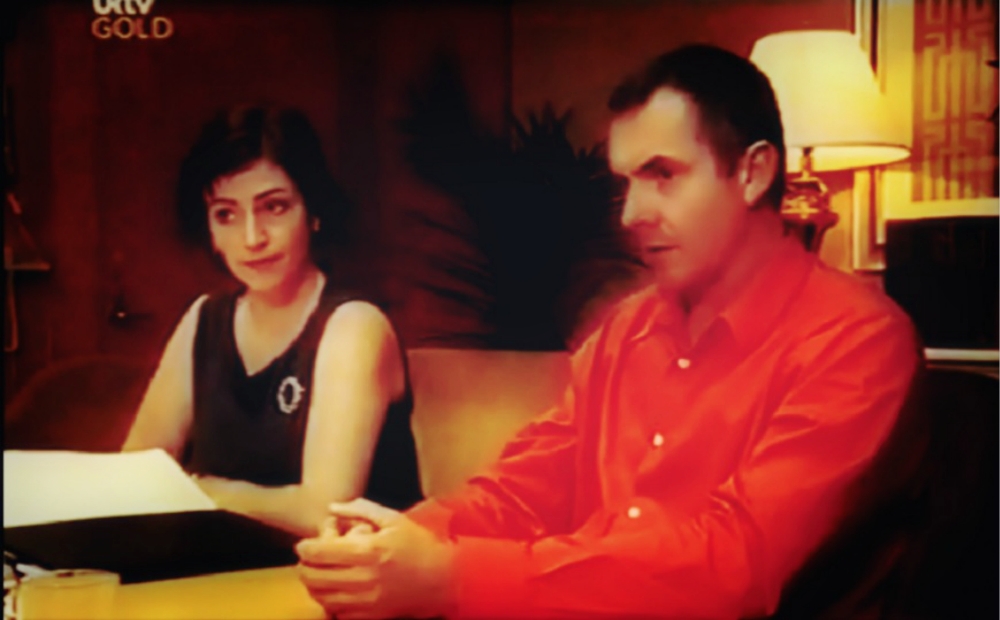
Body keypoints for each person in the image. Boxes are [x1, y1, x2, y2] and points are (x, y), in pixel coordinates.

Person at [295, 45, 921, 619]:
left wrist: (452, 578)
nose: (632, 214)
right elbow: (525, 489)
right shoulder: (627, 326)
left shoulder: (856, 338)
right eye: (626, 183)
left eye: (663, 174)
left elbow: (736, 568)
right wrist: (400, 540)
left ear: (753, 172)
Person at [123, 105, 422, 537]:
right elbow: (135, 477)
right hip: (222, 567)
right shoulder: (204, 318)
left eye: (274, 207)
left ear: (313, 212)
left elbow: (324, 512)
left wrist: (197, 489)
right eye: (225, 214)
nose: (252, 238)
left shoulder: (354, 325)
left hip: (339, 571)